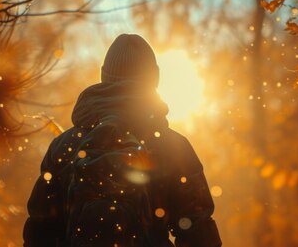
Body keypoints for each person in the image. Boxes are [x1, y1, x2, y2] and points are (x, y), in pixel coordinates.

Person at [23, 34, 222, 246]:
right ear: (154, 78)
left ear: (103, 75)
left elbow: (41, 230)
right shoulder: (174, 148)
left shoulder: (65, 146)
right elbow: (197, 229)